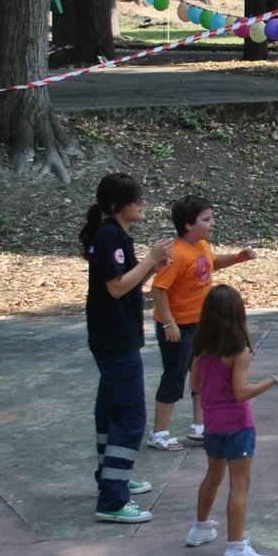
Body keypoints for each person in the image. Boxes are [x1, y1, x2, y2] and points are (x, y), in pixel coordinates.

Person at [80, 173, 173, 523]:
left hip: (115, 337)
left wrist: (152, 266)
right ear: (118, 205)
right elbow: (116, 288)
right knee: (131, 416)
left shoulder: (116, 235)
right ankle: (112, 500)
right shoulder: (109, 236)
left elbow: (127, 282)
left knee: (110, 409)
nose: (143, 202)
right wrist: (150, 260)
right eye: (137, 198)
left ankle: (111, 477)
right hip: (115, 340)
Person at [185, 284, 278, 556]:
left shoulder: (200, 348)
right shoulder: (239, 349)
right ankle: (235, 547)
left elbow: (196, 385)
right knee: (240, 484)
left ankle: (200, 527)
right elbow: (241, 392)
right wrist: (275, 378)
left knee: (213, 475)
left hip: (212, 423)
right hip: (237, 424)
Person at [150, 194, 258, 449]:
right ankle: (159, 432)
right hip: (178, 326)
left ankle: (200, 425)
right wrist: (168, 323)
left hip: (201, 323)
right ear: (189, 225)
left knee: (202, 372)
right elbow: (158, 289)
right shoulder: (176, 252)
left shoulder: (202, 246)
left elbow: (210, 265)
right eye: (206, 220)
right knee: (174, 376)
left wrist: (237, 257)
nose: (212, 224)